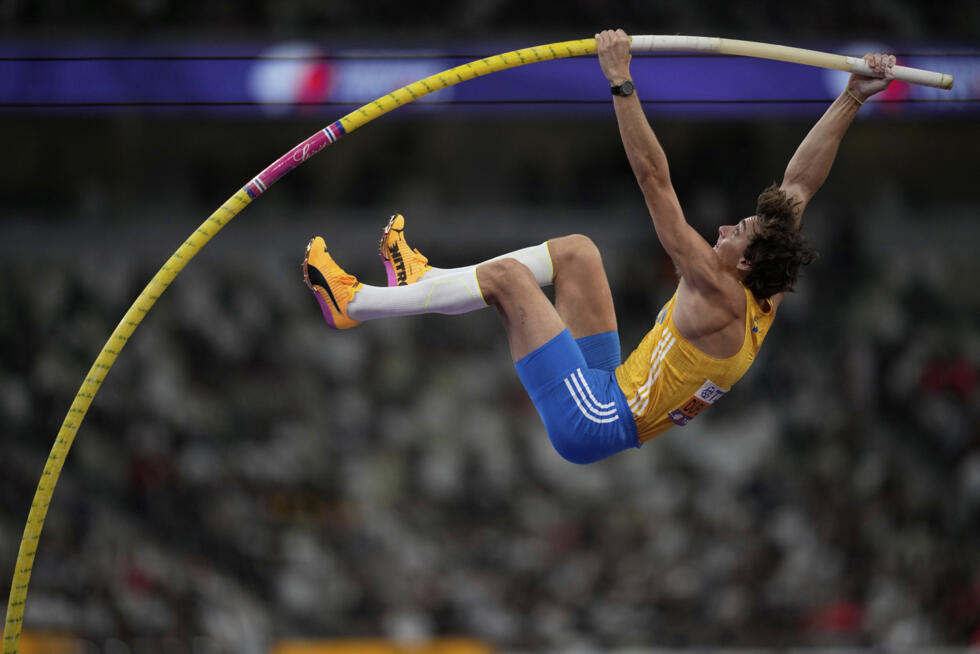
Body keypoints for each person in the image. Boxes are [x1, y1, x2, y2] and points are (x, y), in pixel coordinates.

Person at [301, 29, 896, 464]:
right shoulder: (763, 287)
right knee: (578, 252)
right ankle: (424, 276)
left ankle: (355, 305)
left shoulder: (716, 291)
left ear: (741, 264)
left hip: (597, 421)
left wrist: (620, 81)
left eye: (732, 234)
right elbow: (798, 185)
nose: (721, 230)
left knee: (510, 281)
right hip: (610, 384)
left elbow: (654, 182)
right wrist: (851, 98)